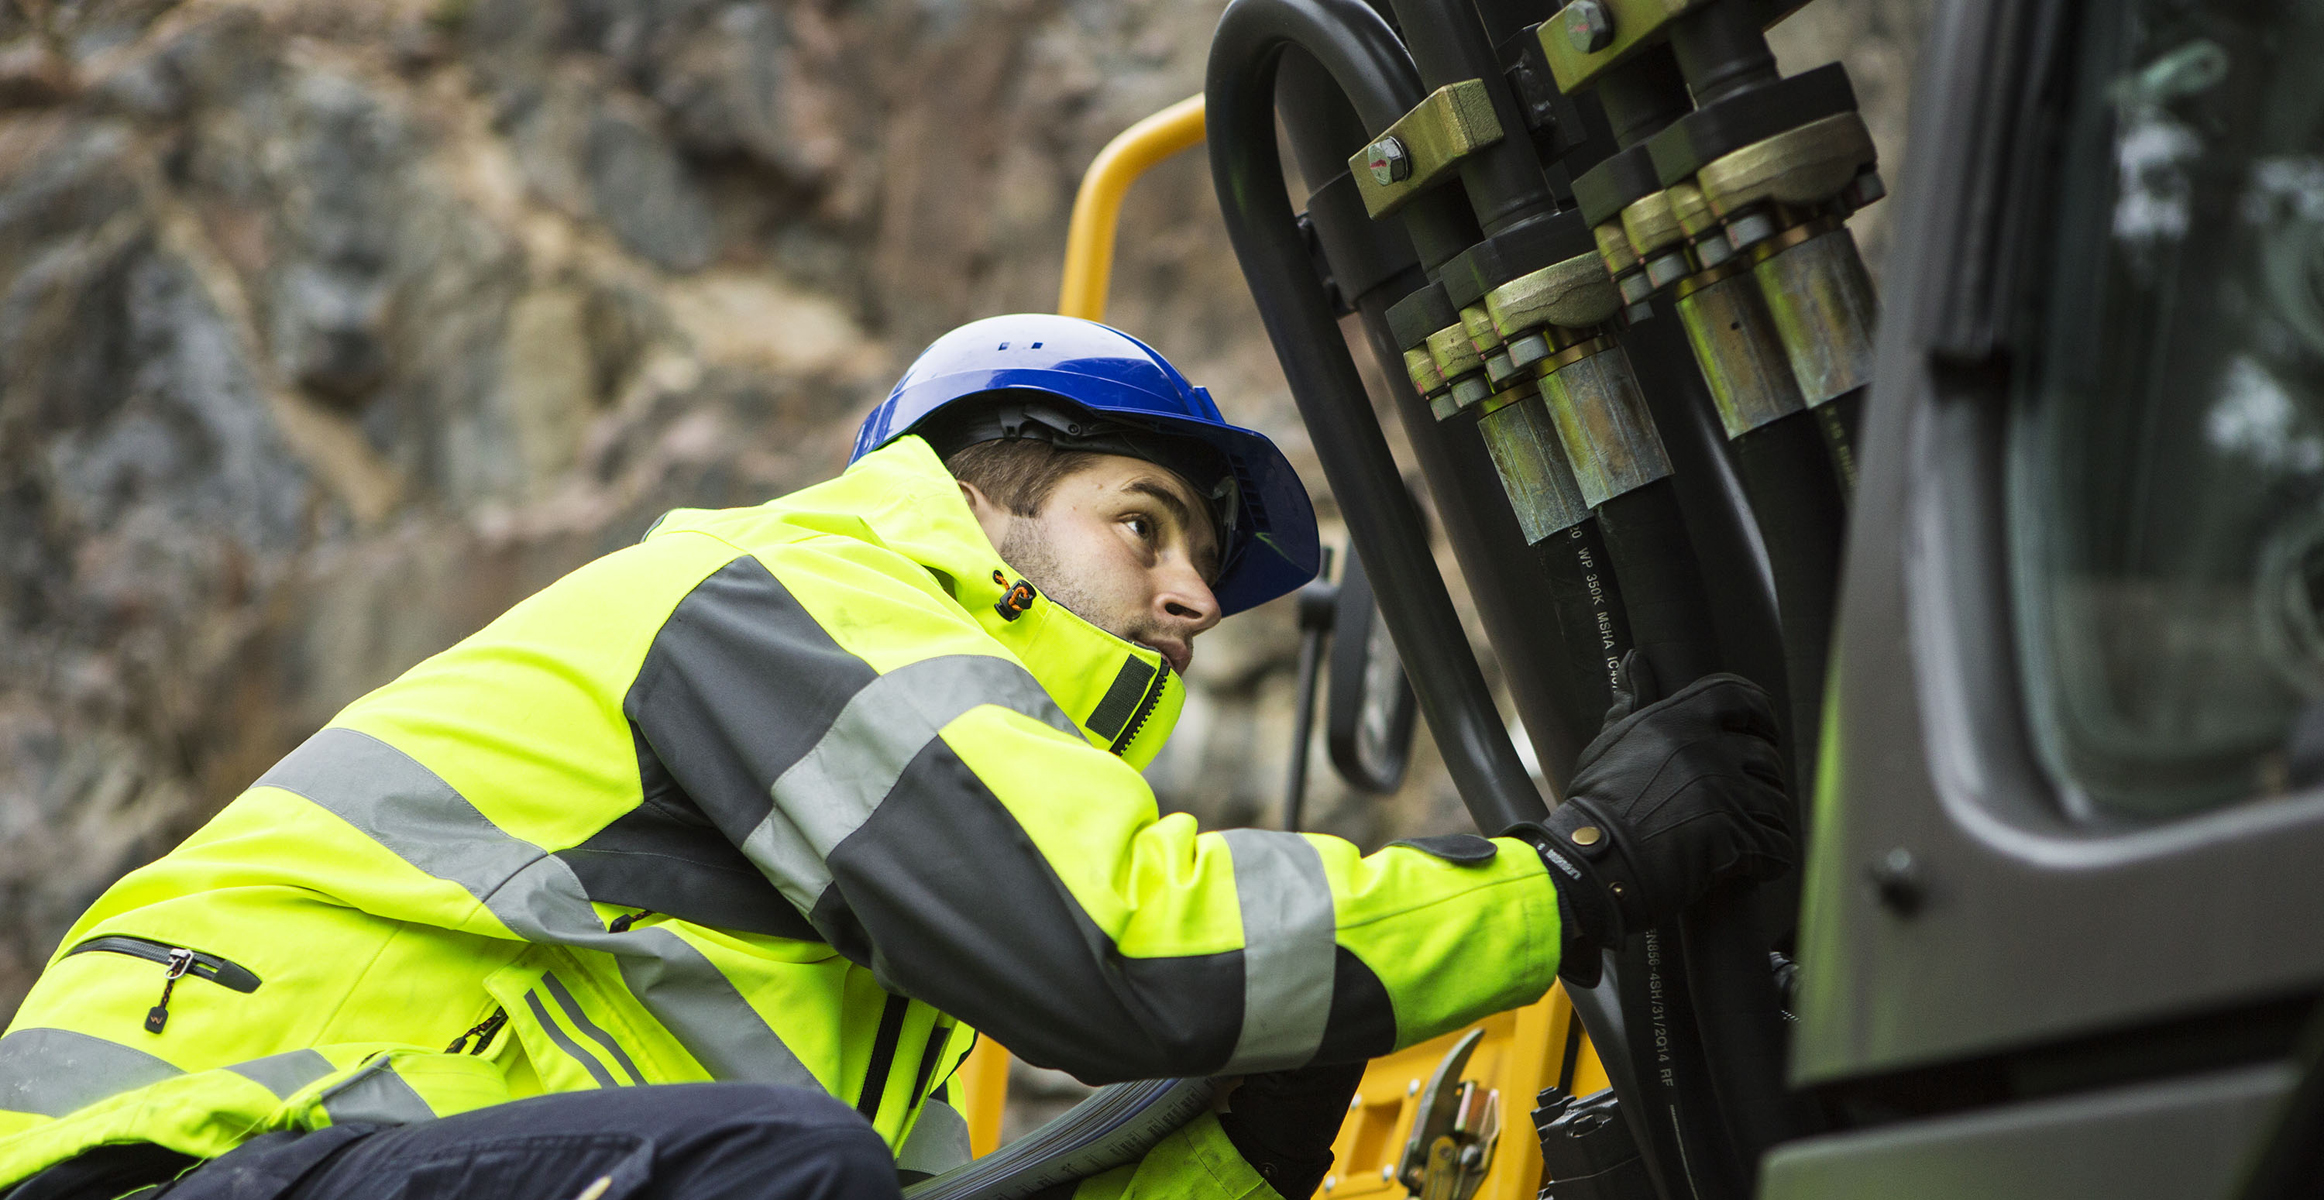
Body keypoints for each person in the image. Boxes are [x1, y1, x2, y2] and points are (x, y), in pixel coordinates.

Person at [0, 315, 1793, 1200]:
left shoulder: (880, 958)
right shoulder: (792, 595)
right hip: (174, 1170)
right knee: (789, 1177)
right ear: (982, 477)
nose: (1184, 603)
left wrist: (1254, 1145)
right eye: (1145, 524)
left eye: (1198, 571)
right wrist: (1575, 874)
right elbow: (1128, 954)